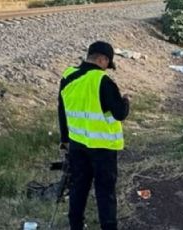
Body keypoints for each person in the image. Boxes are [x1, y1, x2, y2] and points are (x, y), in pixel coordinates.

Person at [58, 41, 130, 230]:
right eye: (108, 63)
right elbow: (119, 114)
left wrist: (64, 139)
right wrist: (126, 101)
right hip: (103, 148)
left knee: (78, 188)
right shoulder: (102, 81)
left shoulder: (68, 76)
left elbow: (62, 110)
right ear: (102, 59)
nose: (107, 68)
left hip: (77, 144)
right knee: (105, 192)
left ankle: (76, 226)